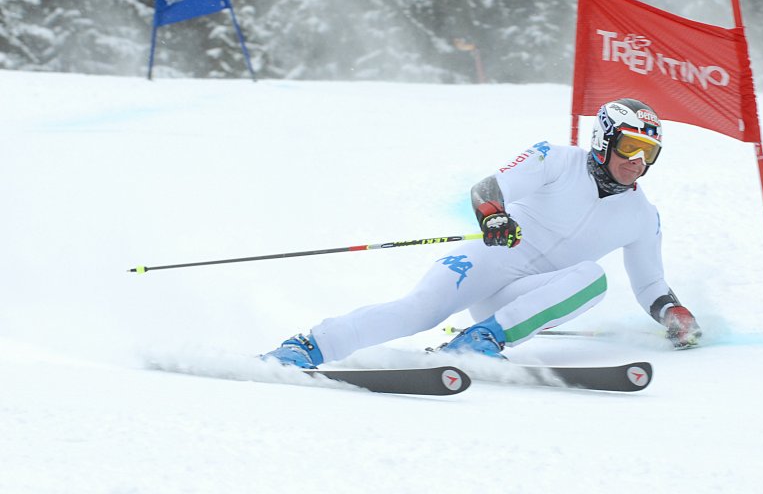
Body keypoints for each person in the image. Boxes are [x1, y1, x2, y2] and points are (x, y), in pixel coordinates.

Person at [263, 97, 702, 369]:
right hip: (489, 260)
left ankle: (480, 342)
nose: (637, 161)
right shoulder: (556, 158)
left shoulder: (642, 216)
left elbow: (650, 285)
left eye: (649, 152)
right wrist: (494, 217)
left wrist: (673, 314)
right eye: (629, 147)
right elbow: (489, 189)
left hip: (518, 300)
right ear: (604, 140)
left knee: (592, 278)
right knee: (418, 312)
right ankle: (307, 347)